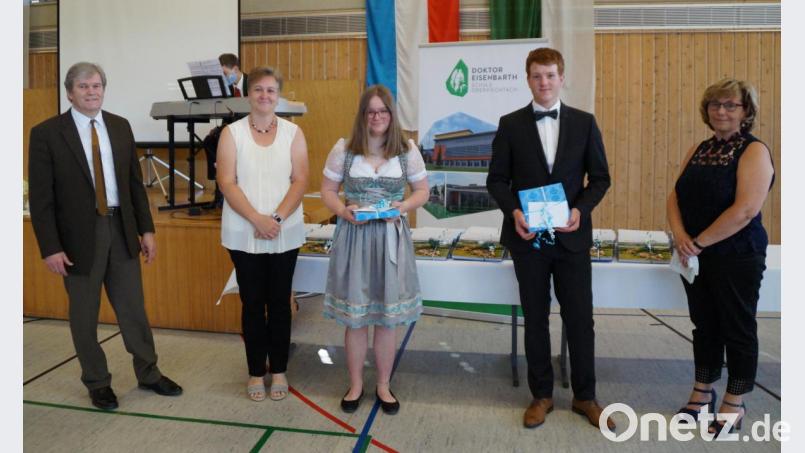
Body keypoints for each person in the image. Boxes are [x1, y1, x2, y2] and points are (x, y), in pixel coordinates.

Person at [28, 62, 183, 410]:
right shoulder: (47, 133)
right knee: (84, 315)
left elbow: (133, 186)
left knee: (133, 309)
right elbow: (41, 200)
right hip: (77, 239)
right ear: (70, 92)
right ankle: (97, 382)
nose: (92, 91)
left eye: (97, 85)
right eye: (84, 86)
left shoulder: (119, 126)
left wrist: (146, 229)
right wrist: (50, 247)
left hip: (121, 228)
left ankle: (149, 373)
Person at [486, 47, 613, 430]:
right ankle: (541, 395)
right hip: (529, 238)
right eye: (537, 76)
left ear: (562, 78)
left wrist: (580, 211)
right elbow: (496, 180)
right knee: (536, 317)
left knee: (580, 320)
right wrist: (514, 211)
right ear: (528, 79)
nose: (544, 83)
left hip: (571, 238)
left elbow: (600, 179)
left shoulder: (585, 123)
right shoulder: (510, 124)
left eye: (551, 75)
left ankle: (585, 396)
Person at [668, 78, 774, 435]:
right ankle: (702, 392)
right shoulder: (700, 148)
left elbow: (745, 209)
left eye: (730, 105)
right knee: (705, 326)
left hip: (736, 254)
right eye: (715, 104)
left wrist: (698, 242)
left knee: (738, 328)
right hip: (695, 254)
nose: (722, 111)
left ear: (746, 112)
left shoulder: (754, 151)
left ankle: (735, 401)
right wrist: (682, 237)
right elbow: (674, 196)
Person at [320, 85, 429, 415]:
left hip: (391, 239)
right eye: (371, 111)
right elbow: (327, 190)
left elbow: (422, 190)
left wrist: (404, 205)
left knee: (386, 318)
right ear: (363, 115)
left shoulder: (406, 149)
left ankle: (383, 384)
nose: (377, 117)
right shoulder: (344, 149)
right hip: (355, 237)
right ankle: (355, 383)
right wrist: (342, 211)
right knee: (356, 320)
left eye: (383, 111)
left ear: (391, 115)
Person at [216, 66, 309, 402]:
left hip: (284, 231)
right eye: (258, 90)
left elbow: (300, 180)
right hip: (244, 231)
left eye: (271, 90)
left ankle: (280, 369)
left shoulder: (293, 133)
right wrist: (257, 219)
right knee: (252, 304)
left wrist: (277, 218)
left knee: (280, 304)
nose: (265, 96)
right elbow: (227, 182)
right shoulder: (232, 133)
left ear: (278, 96)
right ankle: (256, 372)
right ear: (247, 94)